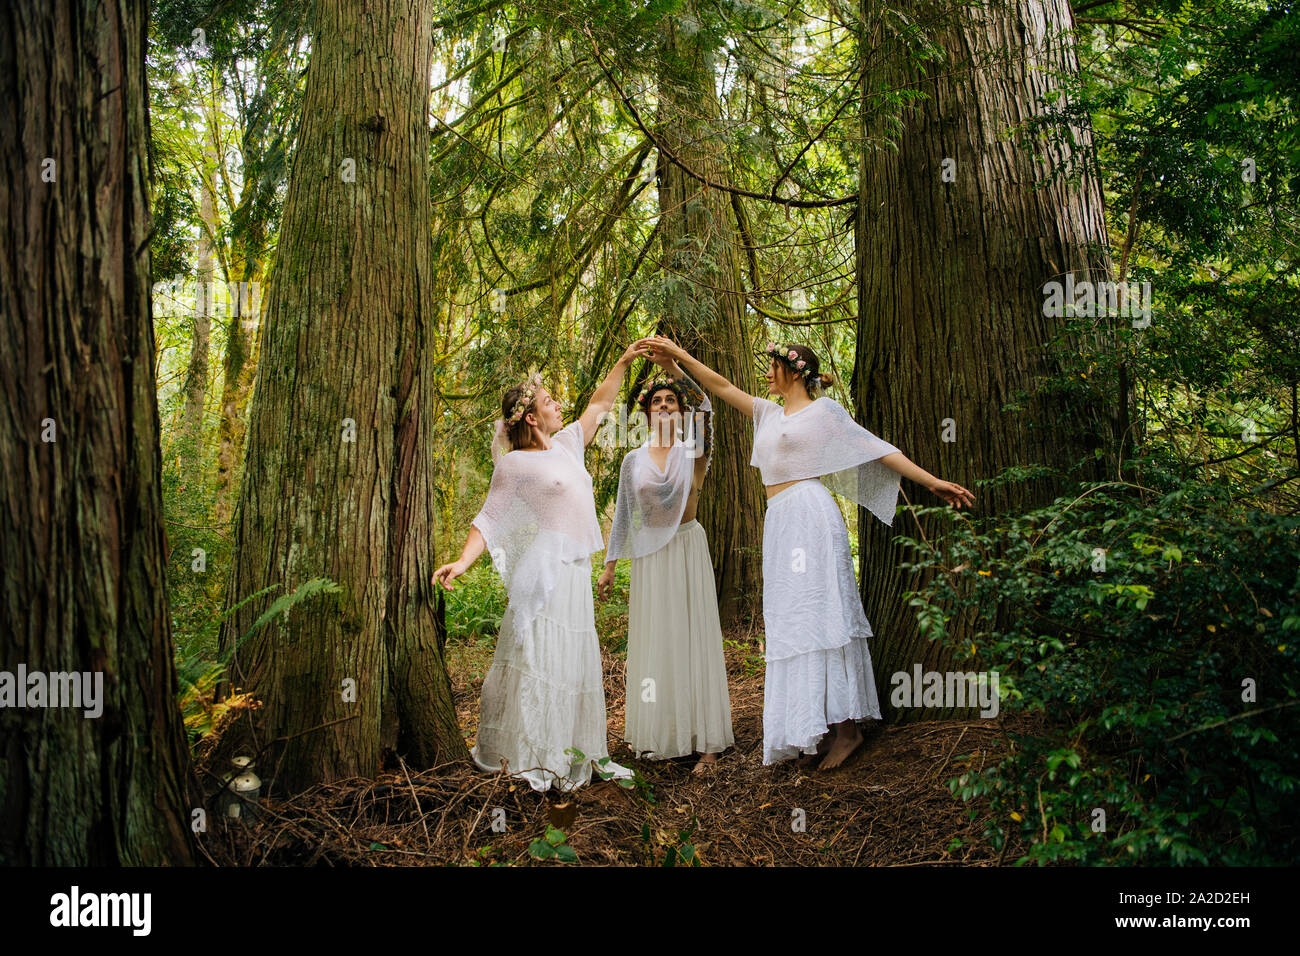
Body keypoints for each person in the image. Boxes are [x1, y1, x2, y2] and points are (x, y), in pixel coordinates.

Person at [633, 335, 975, 770]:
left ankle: (847, 730)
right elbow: (717, 388)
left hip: (811, 517)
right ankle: (815, 724)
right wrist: (677, 364)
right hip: (779, 520)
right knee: (792, 620)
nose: (767, 373)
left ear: (794, 371)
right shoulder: (768, 413)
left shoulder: (824, 412)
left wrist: (931, 482)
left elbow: (880, 450)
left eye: (773, 365)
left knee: (822, 614)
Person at [433, 345, 647, 791]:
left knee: (568, 661)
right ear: (530, 416)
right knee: (540, 660)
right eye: (549, 402)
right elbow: (488, 518)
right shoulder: (514, 465)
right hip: (544, 571)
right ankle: (535, 756)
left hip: (573, 572)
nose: (557, 406)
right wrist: (462, 561)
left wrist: (625, 361)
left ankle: (567, 750)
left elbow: (601, 404)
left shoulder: (568, 445)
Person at [597, 353, 734, 773]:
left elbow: (707, 405)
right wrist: (609, 565)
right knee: (658, 641)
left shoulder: (692, 450)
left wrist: (674, 368)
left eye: (670, 401)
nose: (662, 406)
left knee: (694, 637)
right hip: (649, 555)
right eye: (656, 401)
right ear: (646, 411)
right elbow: (622, 515)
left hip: (688, 548)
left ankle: (707, 744)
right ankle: (661, 734)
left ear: (680, 410)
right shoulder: (632, 461)